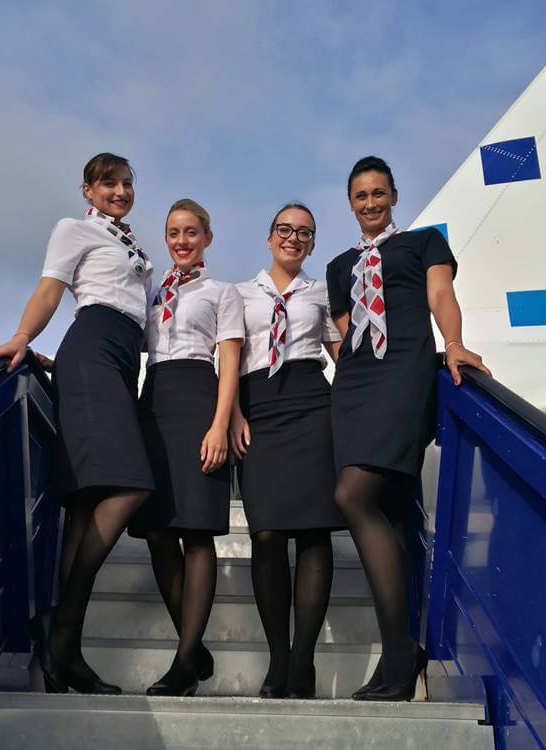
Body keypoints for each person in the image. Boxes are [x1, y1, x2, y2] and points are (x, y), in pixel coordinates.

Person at [0, 152, 154, 694]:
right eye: (109, 184)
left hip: (120, 360)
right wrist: (23, 338)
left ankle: (67, 654)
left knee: (86, 502)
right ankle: (61, 631)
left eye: (127, 183)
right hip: (95, 346)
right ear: (88, 190)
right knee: (131, 483)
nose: (120, 191)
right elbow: (51, 288)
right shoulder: (74, 230)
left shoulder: (133, 247)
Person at [326, 156, 490, 701]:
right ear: (350, 203)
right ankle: (400, 654)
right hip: (354, 383)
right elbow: (347, 333)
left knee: (354, 496)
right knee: (388, 512)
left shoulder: (422, 244)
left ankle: (399, 653)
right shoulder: (338, 265)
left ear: (393, 195)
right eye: (360, 196)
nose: (369, 203)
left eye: (378, 193)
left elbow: (440, 295)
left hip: (404, 371)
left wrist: (455, 342)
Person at [129, 199, 244, 697]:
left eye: (191, 232)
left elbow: (230, 359)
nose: (182, 241)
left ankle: (182, 663)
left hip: (200, 397)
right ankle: (194, 649)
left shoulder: (222, 292)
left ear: (207, 237)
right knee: (156, 531)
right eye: (174, 233)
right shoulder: (151, 293)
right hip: (154, 401)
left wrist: (220, 424)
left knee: (196, 534)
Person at [230, 203, 345, 699]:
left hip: (311, 402)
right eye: (285, 229)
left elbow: (342, 353)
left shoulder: (321, 292)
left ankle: (304, 661)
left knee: (314, 533)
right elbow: (229, 357)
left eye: (304, 233)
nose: (293, 238)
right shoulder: (238, 294)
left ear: (313, 243)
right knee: (268, 533)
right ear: (269, 235)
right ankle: (278, 656)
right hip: (257, 408)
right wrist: (232, 413)